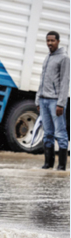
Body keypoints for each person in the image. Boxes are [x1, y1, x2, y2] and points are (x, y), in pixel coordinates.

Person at [36, 31, 70, 170]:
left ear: (58, 41)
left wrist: (61, 103)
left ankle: (61, 166)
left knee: (60, 133)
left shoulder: (64, 58)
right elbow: (42, 81)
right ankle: (48, 164)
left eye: (52, 41)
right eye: (47, 40)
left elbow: (65, 82)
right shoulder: (47, 58)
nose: (49, 43)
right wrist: (38, 99)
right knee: (47, 133)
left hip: (55, 102)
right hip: (43, 100)